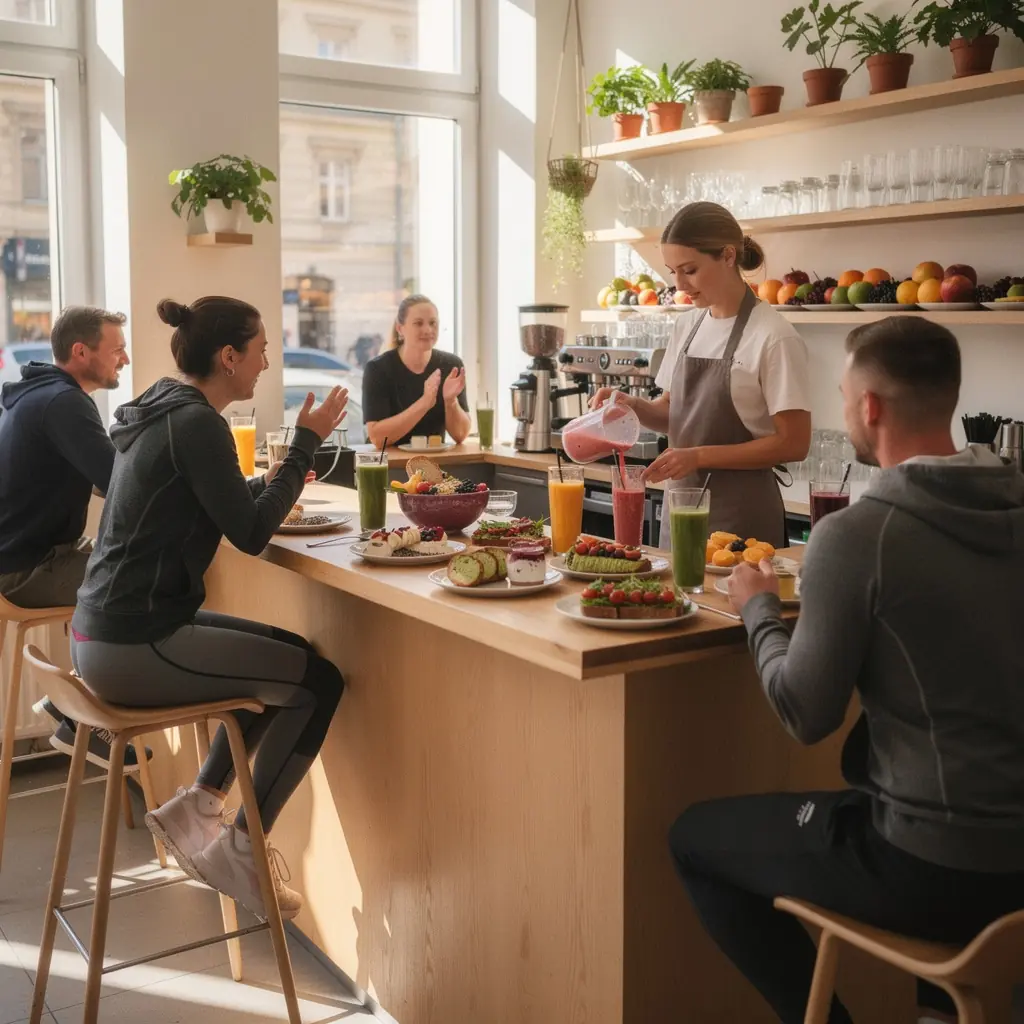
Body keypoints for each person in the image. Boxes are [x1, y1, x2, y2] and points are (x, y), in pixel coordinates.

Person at [669, 316, 1024, 1024]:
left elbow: (806, 714)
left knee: (693, 838)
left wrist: (759, 611)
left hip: (933, 865)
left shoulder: (858, 535)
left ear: (868, 407)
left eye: (841, 396)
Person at [71, 295, 348, 922]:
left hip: (103, 633)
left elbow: (220, 504)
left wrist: (275, 474)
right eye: (260, 349)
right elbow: (250, 534)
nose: (267, 361)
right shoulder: (196, 422)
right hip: (134, 643)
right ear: (229, 356)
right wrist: (305, 443)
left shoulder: (166, 411)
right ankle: (243, 850)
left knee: (282, 664)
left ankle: (197, 804)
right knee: (316, 683)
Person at [590, 203, 811, 548]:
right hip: (681, 511)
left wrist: (697, 456)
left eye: (689, 270)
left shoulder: (772, 336)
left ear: (726, 256)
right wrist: (629, 404)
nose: (679, 284)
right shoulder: (688, 325)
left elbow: (794, 443)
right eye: (672, 271)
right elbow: (672, 412)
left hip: (743, 521)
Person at [0, 305, 148, 770]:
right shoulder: (63, 403)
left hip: (24, 557)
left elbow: (103, 480)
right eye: (117, 349)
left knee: (119, 561)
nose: (124, 359)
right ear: (81, 352)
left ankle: (70, 706)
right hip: (24, 569)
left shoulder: (39, 395)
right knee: (146, 574)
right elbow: (118, 480)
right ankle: (90, 718)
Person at [362, 294, 470, 448]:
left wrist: (451, 401)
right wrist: (424, 403)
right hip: (390, 466)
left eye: (433, 323)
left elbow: (460, 435)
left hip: (436, 466)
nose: (427, 329)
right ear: (400, 328)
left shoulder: (451, 365)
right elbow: (377, 438)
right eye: (418, 323)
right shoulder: (378, 369)